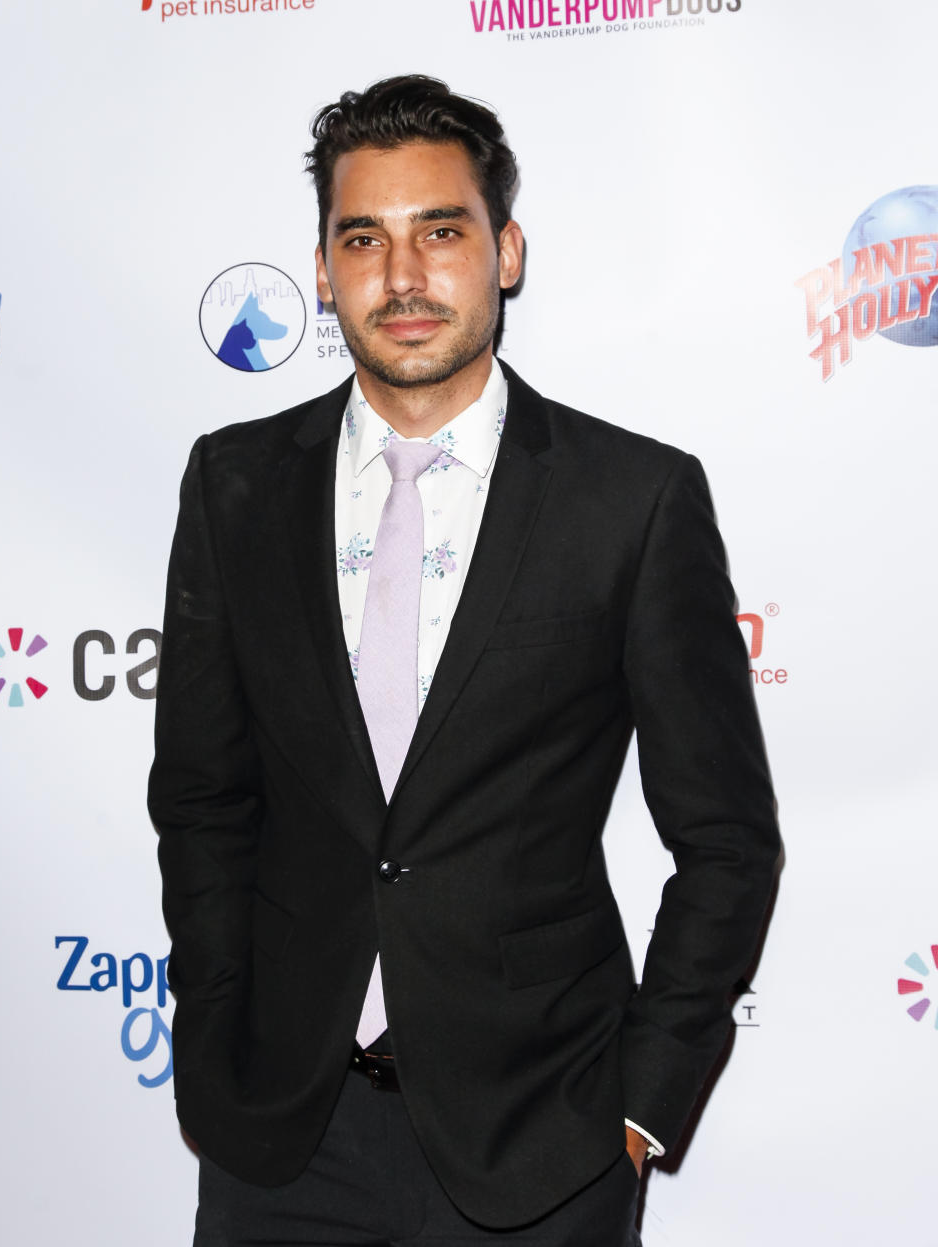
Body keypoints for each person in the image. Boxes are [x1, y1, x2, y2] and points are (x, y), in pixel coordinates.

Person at [149, 74, 780, 1247]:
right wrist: (212, 1033)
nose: (403, 276)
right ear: (325, 269)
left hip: (547, 1140)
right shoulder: (233, 484)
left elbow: (729, 836)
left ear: (506, 251)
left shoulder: (631, 500)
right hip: (282, 1139)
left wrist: (645, 1099)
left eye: (441, 230)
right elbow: (200, 798)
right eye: (364, 238)